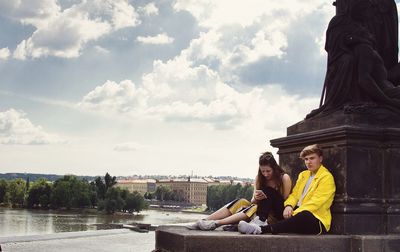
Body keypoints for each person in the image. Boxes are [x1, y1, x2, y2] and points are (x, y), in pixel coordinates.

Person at [238, 144, 336, 235]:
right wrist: (288, 206)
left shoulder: (326, 177)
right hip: (294, 213)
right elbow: (294, 195)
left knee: (305, 215)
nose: (308, 162)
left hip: (315, 220)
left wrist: (294, 213)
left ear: (320, 158)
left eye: (312, 158)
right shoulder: (304, 175)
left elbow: (316, 203)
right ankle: (260, 220)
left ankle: (260, 229)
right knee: (268, 191)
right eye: (306, 159)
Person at [186, 151, 292, 231]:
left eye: (268, 171)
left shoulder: (284, 178)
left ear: (274, 168)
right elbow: (252, 201)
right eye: (262, 171)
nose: (265, 174)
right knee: (241, 201)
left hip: (275, 215)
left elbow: (285, 201)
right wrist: (256, 197)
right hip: (260, 211)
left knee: (260, 201)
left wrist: (268, 196)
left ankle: (216, 223)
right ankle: (205, 221)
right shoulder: (259, 178)